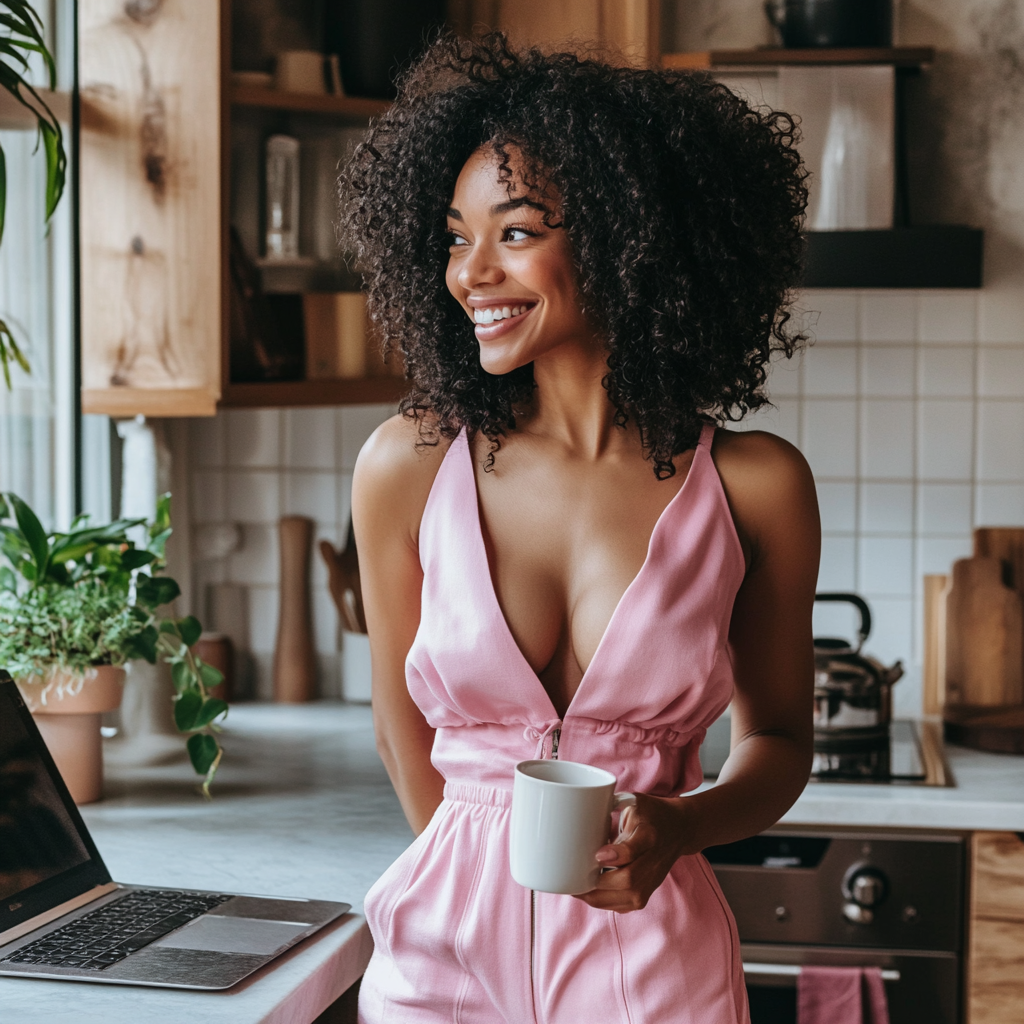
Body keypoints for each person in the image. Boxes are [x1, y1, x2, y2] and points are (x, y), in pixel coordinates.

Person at [344, 33, 819, 1024]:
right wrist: (475, 895)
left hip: (651, 960)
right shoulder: (408, 466)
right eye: (451, 235)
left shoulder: (754, 486)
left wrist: (678, 826)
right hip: (443, 963)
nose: (471, 271)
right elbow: (401, 727)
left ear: (623, 233)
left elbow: (776, 743)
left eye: (514, 232)